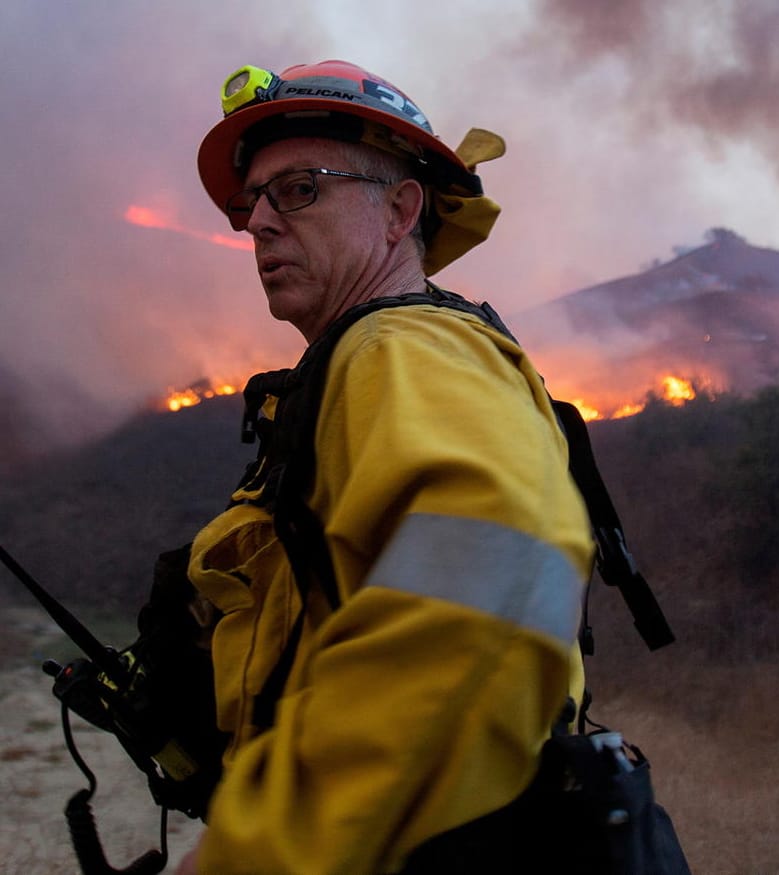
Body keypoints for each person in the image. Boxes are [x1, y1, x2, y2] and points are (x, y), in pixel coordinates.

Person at [176, 60, 595, 874]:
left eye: (298, 188)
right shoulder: (357, 369)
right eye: (250, 200)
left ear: (401, 210)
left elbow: (495, 585)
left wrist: (260, 849)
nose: (258, 222)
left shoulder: (400, 348)